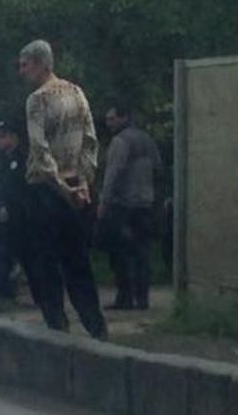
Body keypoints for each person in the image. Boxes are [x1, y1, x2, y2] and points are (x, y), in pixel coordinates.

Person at [17, 39, 108, 339]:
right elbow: (90, 142)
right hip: (77, 187)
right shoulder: (77, 92)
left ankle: (57, 327)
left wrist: (60, 187)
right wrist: (83, 183)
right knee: (77, 260)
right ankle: (96, 327)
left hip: (45, 190)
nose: (22, 71)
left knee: (45, 261)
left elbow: (40, 149)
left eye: (25, 65)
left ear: (41, 63)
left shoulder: (37, 100)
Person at [97, 103, 163, 309]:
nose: (109, 123)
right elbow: (158, 169)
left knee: (120, 253)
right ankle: (142, 298)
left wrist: (104, 202)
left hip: (123, 204)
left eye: (112, 119)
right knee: (142, 252)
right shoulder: (147, 139)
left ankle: (124, 298)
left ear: (123, 117)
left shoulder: (120, 141)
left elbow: (112, 173)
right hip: (145, 204)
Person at [0, 117, 40, 304]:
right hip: (4, 217)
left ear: (14, 138)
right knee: (2, 256)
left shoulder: (21, 160)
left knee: (28, 257)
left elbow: (19, 189)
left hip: (19, 217)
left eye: (3, 136)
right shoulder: (3, 160)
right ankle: (1, 293)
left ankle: (42, 296)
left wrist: (9, 207)